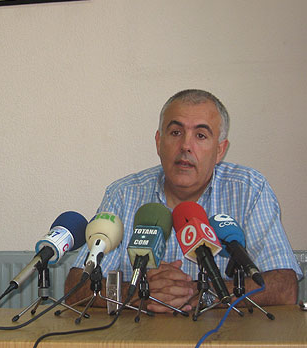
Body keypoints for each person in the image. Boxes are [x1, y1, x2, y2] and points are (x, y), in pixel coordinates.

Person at [65, 89, 301, 313]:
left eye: (201, 135)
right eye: (176, 133)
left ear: (220, 150)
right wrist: (140, 293)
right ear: (159, 142)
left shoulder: (249, 189)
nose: (186, 146)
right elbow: (76, 286)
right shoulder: (124, 194)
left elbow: (284, 287)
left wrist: (204, 294)